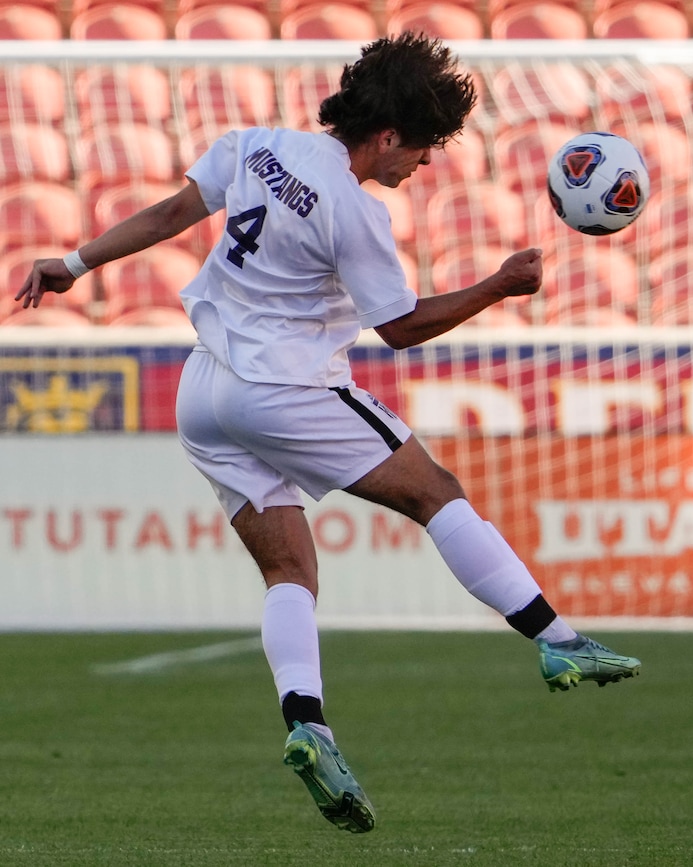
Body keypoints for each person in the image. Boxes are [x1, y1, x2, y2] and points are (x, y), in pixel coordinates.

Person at [17, 32, 641, 834]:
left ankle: (309, 725)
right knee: (436, 493)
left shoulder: (255, 144)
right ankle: (558, 638)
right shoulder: (354, 211)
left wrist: (73, 260)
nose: (424, 165)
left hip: (203, 390)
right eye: (421, 149)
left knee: (289, 567)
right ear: (386, 136)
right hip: (285, 389)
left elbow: (176, 212)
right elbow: (403, 330)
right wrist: (501, 285)